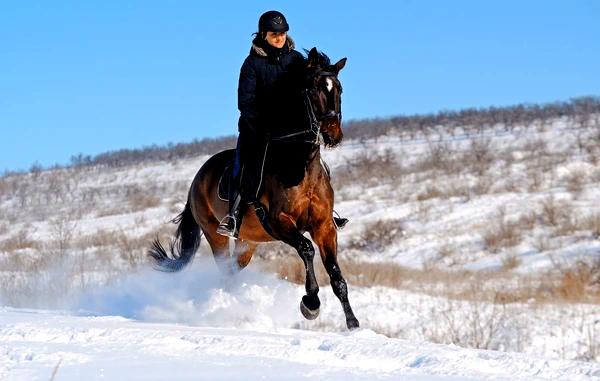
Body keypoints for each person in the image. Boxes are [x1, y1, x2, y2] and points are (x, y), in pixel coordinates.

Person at [217, 10, 348, 238]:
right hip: (257, 128)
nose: (279, 38)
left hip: (290, 128)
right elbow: (245, 102)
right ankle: (234, 216)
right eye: (274, 34)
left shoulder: (296, 59)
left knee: (317, 164)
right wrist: (261, 123)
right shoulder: (251, 64)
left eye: (282, 33)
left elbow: (311, 87)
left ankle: (327, 213)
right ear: (263, 35)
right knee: (243, 164)